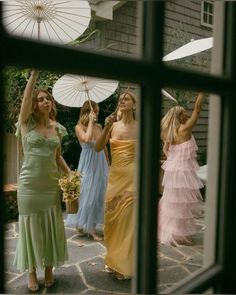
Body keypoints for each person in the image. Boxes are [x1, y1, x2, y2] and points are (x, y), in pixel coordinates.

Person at [14, 69, 70, 291]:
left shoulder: (58, 129)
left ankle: (48, 269)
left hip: (50, 186)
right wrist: (34, 76)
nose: (44, 101)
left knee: (50, 228)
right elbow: (26, 98)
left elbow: (57, 157)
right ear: (35, 105)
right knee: (31, 229)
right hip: (29, 186)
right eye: (40, 99)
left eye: (47, 98)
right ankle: (31, 272)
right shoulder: (26, 124)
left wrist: (69, 173)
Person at [95, 91, 137, 280]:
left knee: (127, 220)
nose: (122, 101)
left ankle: (124, 263)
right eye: (121, 99)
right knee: (112, 220)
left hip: (133, 178)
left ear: (134, 105)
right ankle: (112, 259)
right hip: (115, 177)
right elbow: (98, 147)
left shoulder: (140, 127)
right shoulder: (113, 125)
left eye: (126, 99)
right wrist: (106, 127)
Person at [158, 92, 205, 246]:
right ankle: (176, 232)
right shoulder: (185, 129)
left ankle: (171, 231)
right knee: (182, 204)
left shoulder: (171, 133)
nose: (186, 114)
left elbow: (166, 150)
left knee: (172, 202)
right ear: (179, 116)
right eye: (184, 113)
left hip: (173, 171)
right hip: (183, 172)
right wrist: (201, 93)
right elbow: (197, 110)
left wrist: (173, 159)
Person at [66, 100, 109, 241]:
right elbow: (87, 139)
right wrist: (90, 122)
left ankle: (92, 226)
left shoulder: (99, 126)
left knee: (98, 192)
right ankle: (86, 226)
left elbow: (103, 145)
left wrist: (108, 163)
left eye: (97, 111)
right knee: (87, 192)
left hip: (100, 161)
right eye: (94, 111)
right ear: (87, 112)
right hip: (88, 162)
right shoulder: (79, 127)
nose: (97, 113)